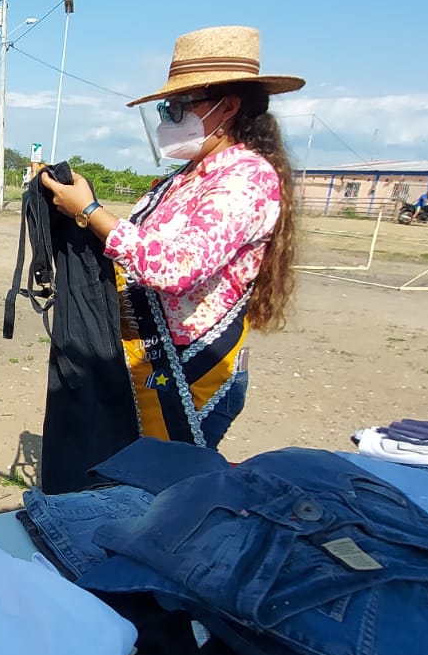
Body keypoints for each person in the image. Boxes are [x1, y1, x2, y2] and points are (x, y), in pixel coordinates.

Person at [41, 25, 302, 449]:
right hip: (148, 358)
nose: (167, 119)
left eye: (178, 107)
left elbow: (177, 267)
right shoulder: (184, 177)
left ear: (228, 106)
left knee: (164, 483)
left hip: (191, 370)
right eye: (165, 109)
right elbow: (138, 245)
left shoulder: (247, 179)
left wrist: (90, 212)